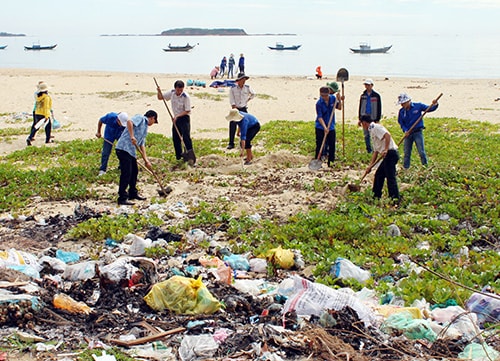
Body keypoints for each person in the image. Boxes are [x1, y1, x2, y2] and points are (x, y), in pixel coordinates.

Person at [115, 110, 158, 205]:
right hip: (123, 148)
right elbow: (129, 122)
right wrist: (132, 136)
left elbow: (142, 145)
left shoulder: (145, 129)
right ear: (152, 118)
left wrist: (146, 160)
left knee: (134, 172)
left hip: (131, 152)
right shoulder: (141, 118)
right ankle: (122, 198)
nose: (153, 123)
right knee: (126, 173)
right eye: (154, 121)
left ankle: (133, 193)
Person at [360, 116, 400, 202]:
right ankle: (376, 196)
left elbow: (387, 135)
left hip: (390, 153)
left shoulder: (376, 127)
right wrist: (370, 166)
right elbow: (376, 151)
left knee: (390, 178)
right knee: (379, 175)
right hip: (387, 155)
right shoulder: (372, 131)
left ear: (364, 123)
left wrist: (385, 149)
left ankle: (395, 199)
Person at [397, 93, 439, 169]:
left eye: (403, 103)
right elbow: (401, 122)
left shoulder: (418, 106)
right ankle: (406, 168)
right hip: (408, 134)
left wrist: (435, 104)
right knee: (406, 153)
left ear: (408, 101)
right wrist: (405, 130)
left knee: (421, 152)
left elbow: (429, 109)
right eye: (401, 104)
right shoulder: (401, 112)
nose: (402, 105)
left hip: (417, 132)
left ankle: (425, 167)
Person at [157, 80, 194, 162]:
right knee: (176, 138)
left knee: (186, 137)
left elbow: (187, 110)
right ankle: (179, 156)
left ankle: (190, 155)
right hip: (176, 119)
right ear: (175, 88)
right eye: (178, 90)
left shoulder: (186, 97)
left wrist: (177, 116)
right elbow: (160, 97)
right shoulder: (172, 93)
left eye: (181, 90)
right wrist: (159, 91)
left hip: (184, 118)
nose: (179, 92)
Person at [227, 72, 255, 149]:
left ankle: (243, 142)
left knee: (245, 125)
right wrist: (233, 105)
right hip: (236, 108)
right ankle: (231, 143)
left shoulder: (247, 87)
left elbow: (253, 94)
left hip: (243, 108)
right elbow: (231, 97)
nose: (244, 81)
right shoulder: (233, 88)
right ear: (239, 80)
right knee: (232, 125)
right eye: (242, 79)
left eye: (244, 79)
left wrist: (247, 100)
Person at [315, 86, 341, 167]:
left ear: (328, 93)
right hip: (320, 126)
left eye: (326, 95)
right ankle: (317, 160)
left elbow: (339, 108)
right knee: (320, 144)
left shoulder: (333, 99)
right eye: (322, 95)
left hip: (331, 126)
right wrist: (325, 127)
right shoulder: (319, 103)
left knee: (332, 144)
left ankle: (331, 162)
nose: (324, 97)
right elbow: (319, 117)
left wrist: (339, 100)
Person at [95, 112, 128, 176]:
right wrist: (98, 132)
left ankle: (121, 167)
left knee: (122, 151)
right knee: (106, 152)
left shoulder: (125, 124)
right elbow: (100, 120)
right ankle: (103, 169)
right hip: (109, 135)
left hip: (120, 134)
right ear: (118, 120)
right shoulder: (110, 117)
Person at [358, 78, 382, 153]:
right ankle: (369, 149)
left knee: (374, 134)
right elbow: (360, 106)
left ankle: (376, 149)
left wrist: (378, 118)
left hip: (373, 117)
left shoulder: (376, 96)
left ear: (372, 85)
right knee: (366, 135)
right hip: (364, 117)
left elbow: (379, 107)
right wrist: (360, 118)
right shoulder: (363, 96)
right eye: (366, 85)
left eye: (368, 85)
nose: (367, 86)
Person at [27, 82, 54, 146]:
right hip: (43, 114)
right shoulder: (46, 97)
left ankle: (30, 137)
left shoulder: (38, 96)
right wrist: (47, 115)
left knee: (36, 126)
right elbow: (46, 107)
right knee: (48, 126)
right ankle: (47, 140)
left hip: (37, 113)